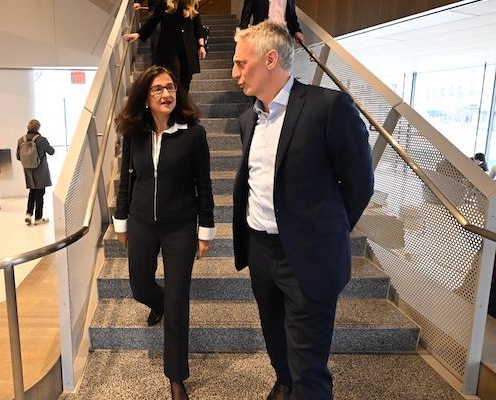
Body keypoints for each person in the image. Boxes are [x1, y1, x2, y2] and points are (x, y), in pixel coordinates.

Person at [231, 21, 373, 399]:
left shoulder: (328, 108)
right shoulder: (249, 119)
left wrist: (324, 231)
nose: (234, 73)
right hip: (261, 251)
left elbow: (358, 184)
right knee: (277, 343)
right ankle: (284, 381)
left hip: (308, 256)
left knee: (309, 367)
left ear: (270, 59)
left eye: (241, 64)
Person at [113, 65, 215, 400]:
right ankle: (158, 304)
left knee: (178, 300)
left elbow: (204, 184)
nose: (166, 93)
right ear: (145, 96)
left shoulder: (193, 134)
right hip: (141, 223)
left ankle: (176, 376)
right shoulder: (134, 133)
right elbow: (127, 180)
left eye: (170, 87)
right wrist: (122, 220)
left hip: (180, 228)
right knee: (140, 286)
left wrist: (205, 229)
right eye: (157, 89)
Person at [123, 0, 207, 92]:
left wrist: (201, 46)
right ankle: (174, 102)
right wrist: (138, 34)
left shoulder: (192, 5)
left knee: (186, 80)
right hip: (170, 49)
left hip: (188, 50)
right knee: (174, 77)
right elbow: (153, 21)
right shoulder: (164, 4)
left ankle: (181, 104)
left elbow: (198, 27)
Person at [16, 119, 54, 225]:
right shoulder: (41, 139)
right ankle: (38, 218)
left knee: (32, 192)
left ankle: (28, 214)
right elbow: (51, 152)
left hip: (28, 170)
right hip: (40, 170)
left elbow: (18, 157)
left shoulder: (21, 140)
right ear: (38, 128)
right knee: (40, 193)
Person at [239, 0, 304, 42]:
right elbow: (246, 14)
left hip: (284, 35)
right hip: (262, 35)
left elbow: (292, 13)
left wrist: (297, 30)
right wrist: (243, 36)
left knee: (282, 62)